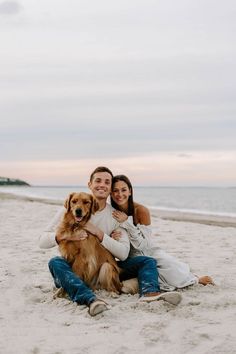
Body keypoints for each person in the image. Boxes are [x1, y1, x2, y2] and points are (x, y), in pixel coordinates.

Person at [39, 167, 182, 317]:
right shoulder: (69, 211)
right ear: (90, 184)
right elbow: (42, 242)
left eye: (107, 182)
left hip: (104, 265)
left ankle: (150, 294)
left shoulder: (115, 215)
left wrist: (99, 234)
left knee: (147, 261)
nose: (102, 185)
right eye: (98, 181)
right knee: (55, 262)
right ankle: (90, 299)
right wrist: (68, 236)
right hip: (75, 267)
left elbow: (124, 253)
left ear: (110, 189)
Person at [111, 174, 214, 292]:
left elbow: (144, 245)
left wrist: (127, 223)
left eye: (123, 190)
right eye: (115, 190)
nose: (120, 194)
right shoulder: (111, 212)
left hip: (148, 252)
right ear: (111, 193)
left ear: (130, 191)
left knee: (170, 270)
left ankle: (195, 279)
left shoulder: (140, 211)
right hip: (127, 257)